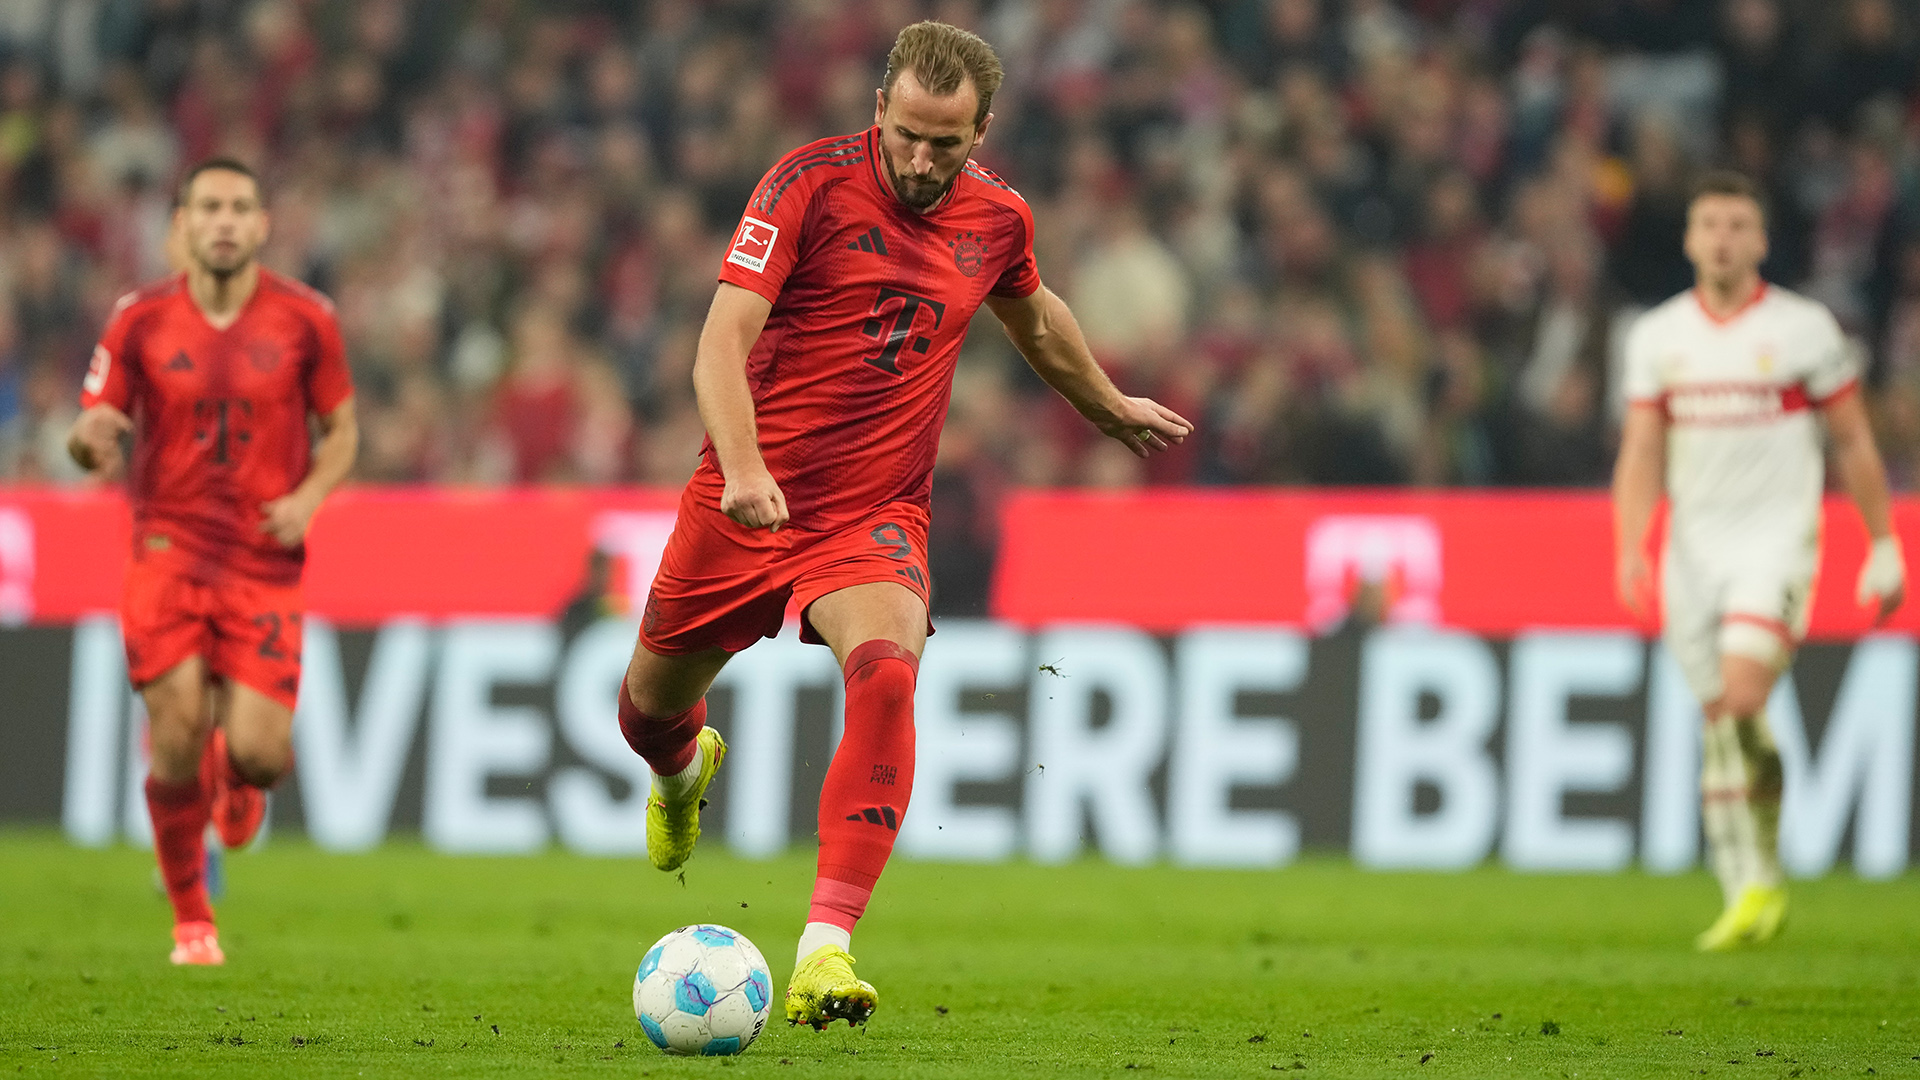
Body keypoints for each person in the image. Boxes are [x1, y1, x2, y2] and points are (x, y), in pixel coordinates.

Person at [613, 21, 1191, 1029]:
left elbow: (1036, 312)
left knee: (887, 671)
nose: (923, 161)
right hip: (749, 492)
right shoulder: (805, 185)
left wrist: (1107, 404)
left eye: (947, 143)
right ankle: (680, 771)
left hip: (873, 512)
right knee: (645, 713)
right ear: (879, 110)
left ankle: (825, 952)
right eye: (909, 136)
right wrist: (743, 467)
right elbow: (719, 343)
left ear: (983, 132)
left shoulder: (1000, 217)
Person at [66, 158, 358, 966]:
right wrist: (86, 440)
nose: (225, 221)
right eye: (210, 207)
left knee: (262, 757)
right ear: (184, 224)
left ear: (262, 224)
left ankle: (236, 771)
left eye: (239, 207)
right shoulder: (139, 319)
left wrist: (309, 499)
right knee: (178, 727)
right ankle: (192, 921)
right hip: (166, 551)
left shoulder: (307, 320)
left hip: (265, 561)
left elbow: (343, 431)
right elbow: (92, 426)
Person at [1613, 170, 1905, 951]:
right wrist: (1630, 547)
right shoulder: (1658, 337)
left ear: (1761, 240)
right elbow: (1642, 450)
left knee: (1742, 700)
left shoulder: (1806, 330)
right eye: (1709, 224)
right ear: (1688, 239)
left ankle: (1761, 872)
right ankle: (1747, 886)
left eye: (1738, 225)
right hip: (1691, 551)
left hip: (1775, 543)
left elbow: (1851, 439)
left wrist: (1882, 542)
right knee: (1718, 722)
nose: (1722, 239)